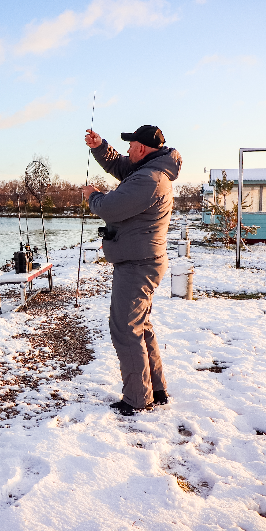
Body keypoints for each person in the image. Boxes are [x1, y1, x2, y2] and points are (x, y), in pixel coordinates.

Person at [81, 125, 182, 416]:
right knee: (140, 326)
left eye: (130, 144)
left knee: (125, 329)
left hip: (138, 264)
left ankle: (138, 398)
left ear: (142, 148)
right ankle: (155, 390)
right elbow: (120, 165)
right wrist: (100, 147)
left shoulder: (149, 179)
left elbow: (109, 208)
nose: (127, 149)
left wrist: (93, 195)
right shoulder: (149, 169)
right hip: (142, 260)